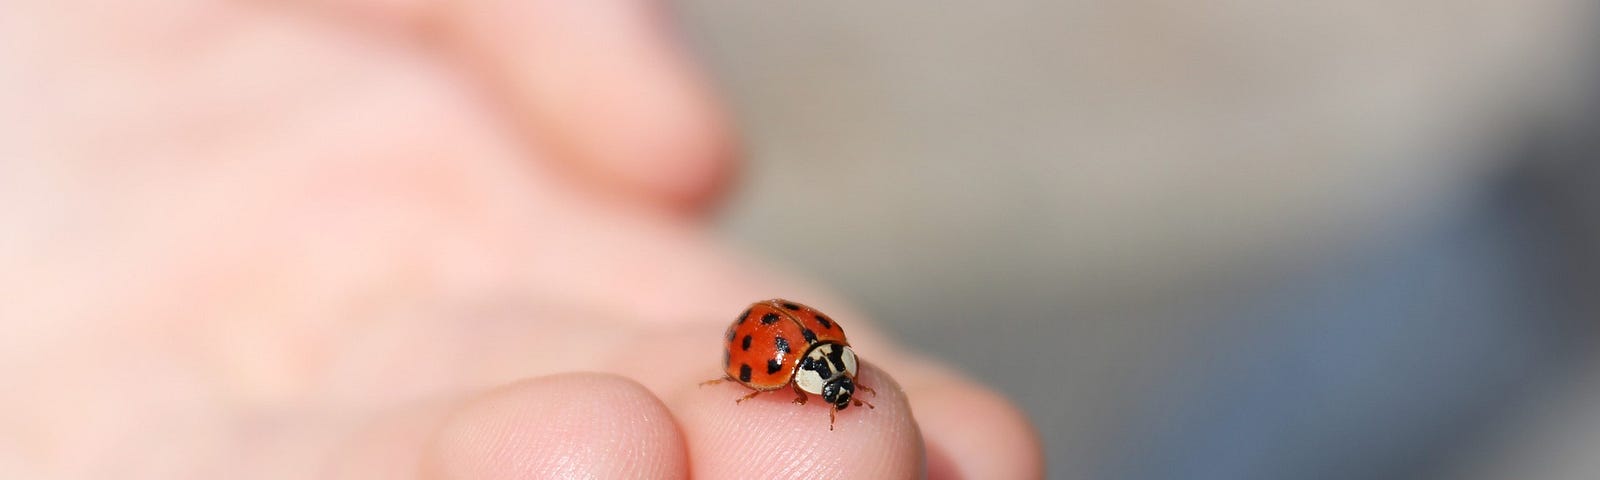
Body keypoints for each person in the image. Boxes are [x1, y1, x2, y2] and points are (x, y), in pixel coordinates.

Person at [0, 1, 1043, 478]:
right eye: (820, 377)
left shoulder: (798, 358)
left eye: (817, 378)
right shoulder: (787, 356)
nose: (824, 380)